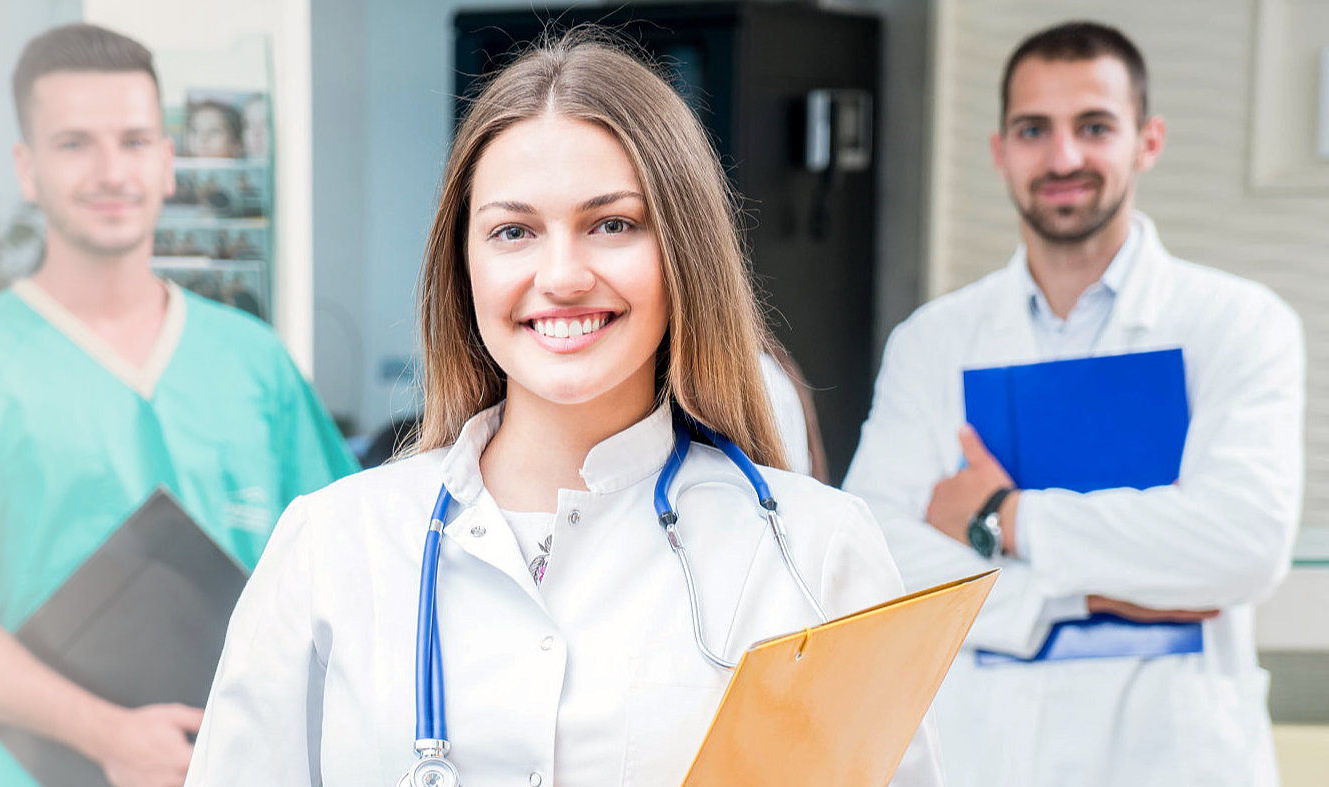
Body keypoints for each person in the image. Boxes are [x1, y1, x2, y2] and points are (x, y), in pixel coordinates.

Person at [183, 33, 940, 786]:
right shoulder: (334, 543)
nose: (562, 275)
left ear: (685, 250)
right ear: (464, 266)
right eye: (513, 232)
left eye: (613, 224)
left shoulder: (814, 552)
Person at [0, 23, 358, 787]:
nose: (112, 171)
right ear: (28, 169)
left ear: (169, 162)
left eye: (135, 141)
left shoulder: (254, 362)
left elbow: (336, 569)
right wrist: (108, 735)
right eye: (75, 144)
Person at [842, 21, 1302, 787]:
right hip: (985, 755)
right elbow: (878, 563)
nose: (1063, 158)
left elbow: (1242, 542)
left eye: (1094, 126)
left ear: (1146, 141)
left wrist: (998, 518)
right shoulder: (933, 341)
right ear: (999, 151)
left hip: (1172, 757)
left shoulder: (1239, 324)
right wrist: (1084, 591)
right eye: (1034, 130)